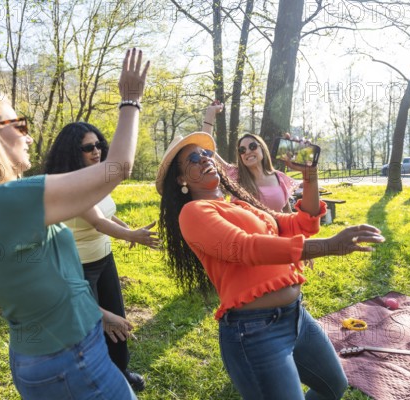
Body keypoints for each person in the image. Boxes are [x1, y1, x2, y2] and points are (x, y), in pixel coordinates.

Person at [0, 48, 149, 400]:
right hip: (70, 363)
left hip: (54, 356)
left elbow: (46, 284)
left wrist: (99, 314)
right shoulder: (5, 201)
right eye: (18, 125)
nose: (29, 135)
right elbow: (117, 168)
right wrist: (130, 100)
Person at [156, 131, 385, 399]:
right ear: (181, 179)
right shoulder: (193, 213)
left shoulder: (240, 205)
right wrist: (329, 246)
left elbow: (301, 224)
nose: (205, 158)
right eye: (193, 158)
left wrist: (310, 175)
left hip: (296, 316)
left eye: (206, 153)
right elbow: (243, 248)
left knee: (333, 385)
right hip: (254, 333)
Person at [44, 121, 160, 391]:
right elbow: (96, 221)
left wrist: (127, 229)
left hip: (104, 259)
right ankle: (93, 380)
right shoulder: (70, 185)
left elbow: (107, 213)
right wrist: (132, 237)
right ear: (74, 152)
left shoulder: (95, 179)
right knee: (92, 328)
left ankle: (120, 371)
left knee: (117, 316)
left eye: (98, 145)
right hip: (79, 267)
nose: (96, 151)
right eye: (88, 147)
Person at [201, 102, 299, 212]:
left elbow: (287, 215)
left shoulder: (279, 177)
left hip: (275, 229)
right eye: (242, 150)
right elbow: (207, 148)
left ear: (262, 148)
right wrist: (211, 112)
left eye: (252, 146)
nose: (247, 151)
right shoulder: (235, 175)